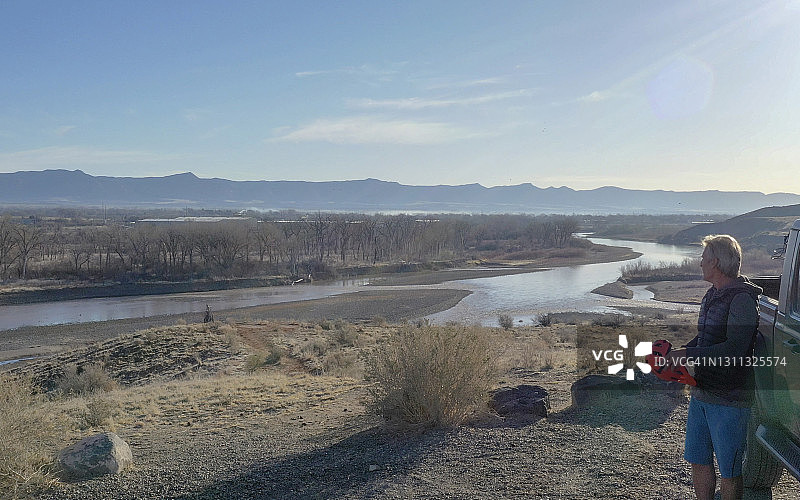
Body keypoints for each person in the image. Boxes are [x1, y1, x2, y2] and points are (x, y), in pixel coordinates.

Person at [667, 234, 761, 500]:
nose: (700, 263)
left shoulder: (742, 300)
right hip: (702, 393)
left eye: (703, 258)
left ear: (716, 262)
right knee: (699, 460)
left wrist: (688, 353)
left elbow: (734, 350)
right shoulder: (712, 295)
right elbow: (705, 338)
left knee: (729, 471)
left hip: (730, 399)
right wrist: (676, 355)